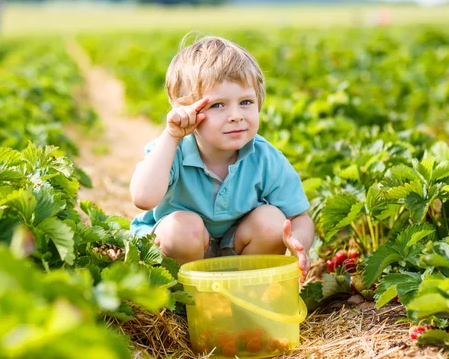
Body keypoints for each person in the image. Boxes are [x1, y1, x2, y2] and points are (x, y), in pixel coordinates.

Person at [129, 35, 315, 283]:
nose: (236, 116)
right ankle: (185, 303)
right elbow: (142, 199)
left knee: (273, 222)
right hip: (185, 253)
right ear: (186, 110)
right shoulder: (171, 150)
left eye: (246, 102)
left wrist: (298, 241)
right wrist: (171, 136)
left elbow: (299, 217)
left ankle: (245, 295)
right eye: (218, 105)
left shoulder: (265, 157)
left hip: (237, 249)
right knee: (182, 229)